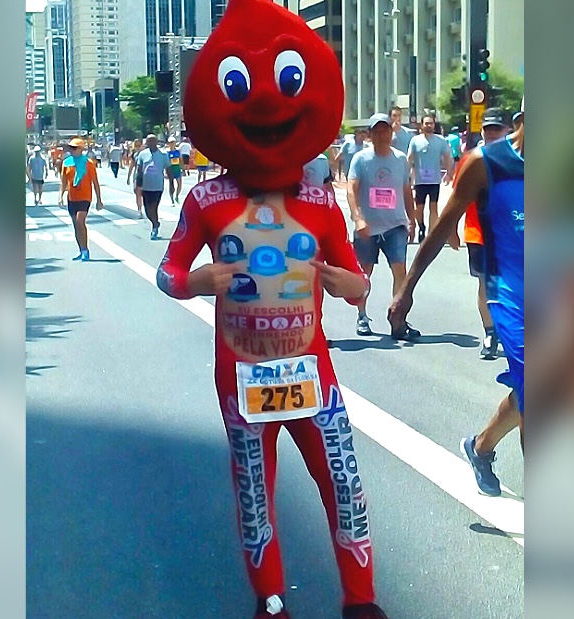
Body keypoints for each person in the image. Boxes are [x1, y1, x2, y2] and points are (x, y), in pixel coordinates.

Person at [158, 1, 389, 616]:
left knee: (343, 484)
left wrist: (348, 284)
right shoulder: (205, 200)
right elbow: (167, 271)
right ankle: (271, 601)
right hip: (241, 377)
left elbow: (358, 284)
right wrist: (194, 281)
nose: (264, 102)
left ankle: (360, 600)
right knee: (255, 492)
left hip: (314, 375)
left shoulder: (322, 203)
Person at [389, 100, 524, 497]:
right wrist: (407, 287)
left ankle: (481, 447)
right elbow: (444, 223)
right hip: (509, 295)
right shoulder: (486, 163)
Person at [347, 113, 418, 340]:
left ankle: (398, 319)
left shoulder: (400, 159)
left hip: (395, 225)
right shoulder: (361, 159)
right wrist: (358, 218)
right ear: (370, 134)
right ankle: (362, 315)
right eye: (376, 131)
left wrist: (412, 219)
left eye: (385, 130)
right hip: (368, 227)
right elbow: (351, 189)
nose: (381, 135)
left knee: (400, 272)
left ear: (391, 132)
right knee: (364, 273)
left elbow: (406, 191)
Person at [459, 108, 512, 361]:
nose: (492, 134)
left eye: (497, 129)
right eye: (488, 129)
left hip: (512, 234)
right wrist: (450, 228)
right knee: (484, 284)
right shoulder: (472, 159)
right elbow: (458, 197)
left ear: (508, 130)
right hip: (478, 234)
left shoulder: (519, 159)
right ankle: (490, 333)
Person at [407, 114, 453, 242]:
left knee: (433, 207)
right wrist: (407, 175)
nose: (429, 125)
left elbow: (448, 157)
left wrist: (449, 173)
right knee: (419, 208)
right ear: (422, 125)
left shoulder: (440, 140)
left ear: (434, 125)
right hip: (420, 181)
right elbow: (409, 158)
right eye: (426, 123)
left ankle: (431, 234)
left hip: (434, 181)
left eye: (431, 123)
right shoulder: (415, 140)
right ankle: (421, 226)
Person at [58, 138, 104, 261]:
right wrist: (60, 196)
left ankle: (85, 250)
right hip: (72, 198)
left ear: (81, 149)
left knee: (80, 222)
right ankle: (81, 249)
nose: (72, 150)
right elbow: (63, 182)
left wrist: (99, 200)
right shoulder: (66, 163)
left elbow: (95, 182)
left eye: (75, 148)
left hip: (85, 197)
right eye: (71, 148)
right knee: (75, 225)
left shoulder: (89, 163)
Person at [134, 134, 170, 240]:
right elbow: (139, 171)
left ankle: (154, 227)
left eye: (152, 141)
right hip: (146, 186)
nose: (151, 143)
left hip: (158, 186)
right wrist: (137, 185)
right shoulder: (142, 154)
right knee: (147, 209)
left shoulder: (163, 154)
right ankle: (155, 222)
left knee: (154, 207)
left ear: (156, 142)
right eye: (149, 141)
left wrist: (172, 184)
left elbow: (168, 169)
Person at [127, 138, 145, 217]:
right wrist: (128, 177)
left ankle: (147, 209)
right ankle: (140, 210)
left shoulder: (146, 153)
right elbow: (132, 165)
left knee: (145, 193)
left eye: (139, 145)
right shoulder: (135, 154)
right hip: (137, 175)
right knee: (137, 193)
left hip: (146, 175)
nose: (137, 147)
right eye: (136, 145)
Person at [166, 137, 183, 204]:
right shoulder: (167, 152)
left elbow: (181, 160)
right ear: (169, 144)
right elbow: (166, 162)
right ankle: (172, 198)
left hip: (177, 169)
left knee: (179, 184)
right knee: (171, 185)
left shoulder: (178, 151)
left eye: (173, 142)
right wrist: (165, 171)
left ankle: (177, 196)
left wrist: (182, 168)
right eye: (171, 142)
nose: (172, 144)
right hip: (170, 170)